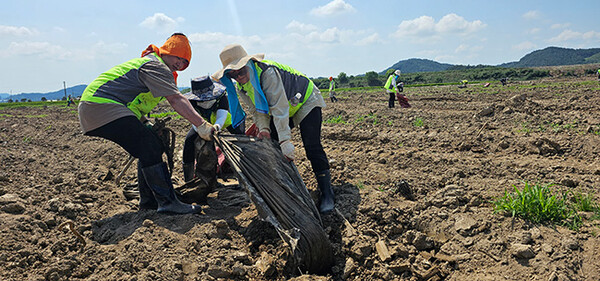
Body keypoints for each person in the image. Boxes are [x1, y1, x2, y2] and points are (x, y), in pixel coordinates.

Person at [78, 33, 216, 215]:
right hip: (101, 106)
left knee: (149, 145)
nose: (180, 64)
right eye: (178, 57)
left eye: (184, 62)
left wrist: (146, 123)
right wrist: (201, 125)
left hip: (98, 107)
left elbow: (134, 104)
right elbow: (175, 99)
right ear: (166, 52)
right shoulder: (156, 66)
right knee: (149, 146)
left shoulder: (152, 66)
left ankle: (149, 202)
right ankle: (167, 203)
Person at [212, 44, 335, 213]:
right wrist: (264, 129)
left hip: (305, 99)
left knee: (311, 145)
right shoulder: (242, 88)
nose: (239, 77)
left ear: (249, 64)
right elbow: (257, 110)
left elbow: (279, 107)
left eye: (241, 71)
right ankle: (287, 189)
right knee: (272, 146)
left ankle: (327, 193)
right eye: (233, 75)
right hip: (285, 108)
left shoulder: (267, 73)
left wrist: (285, 140)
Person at [181, 75, 243, 185]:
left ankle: (243, 174)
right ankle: (189, 180)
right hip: (201, 124)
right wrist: (202, 129)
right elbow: (193, 120)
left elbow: (221, 116)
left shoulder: (222, 97)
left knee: (241, 138)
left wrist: (216, 127)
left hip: (224, 121)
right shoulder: (191, 102)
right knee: (189, 142)